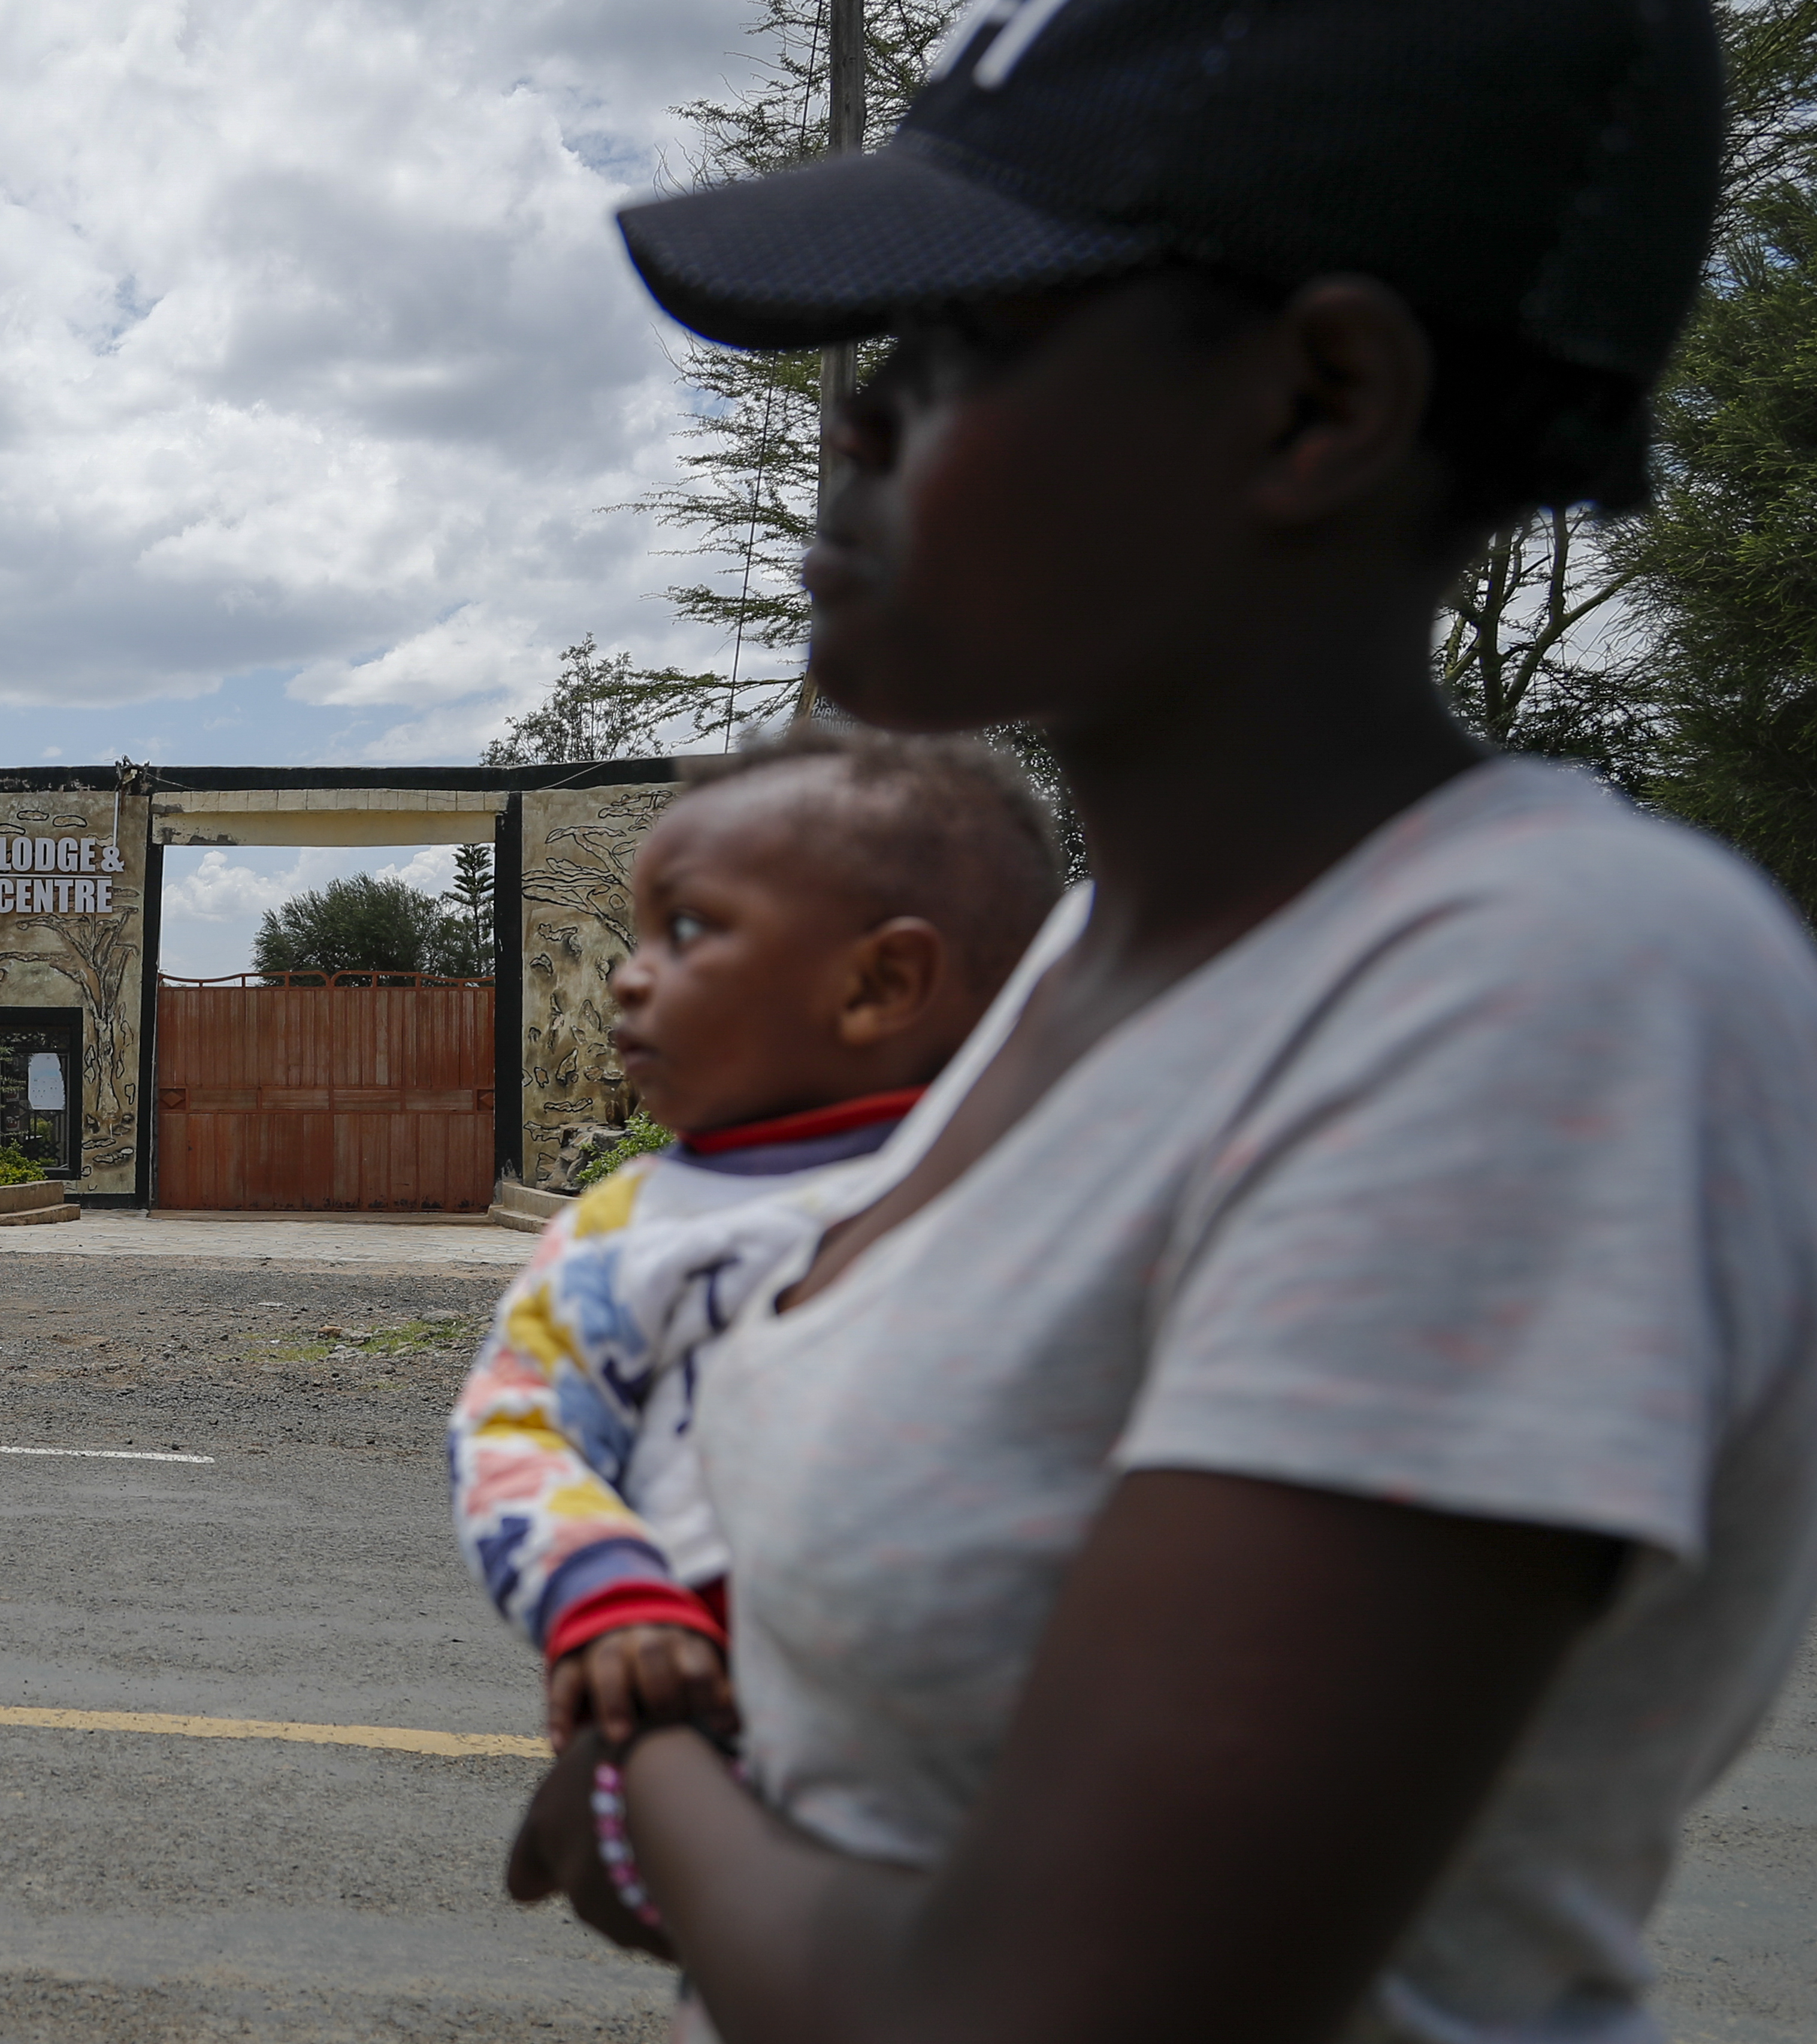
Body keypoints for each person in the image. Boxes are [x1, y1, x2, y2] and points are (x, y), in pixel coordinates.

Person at [498, 5, 1817, 2043]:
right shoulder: (1081, 966)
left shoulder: (1540, 986)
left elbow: (1029, 2010)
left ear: (1316, 399)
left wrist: (633, 1778)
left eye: (959, 345)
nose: (847, 425)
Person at [449, 727, 1060, 1756]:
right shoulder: (623, 1229)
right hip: (715, 1727)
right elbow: (519, 1429)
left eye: (684, 932)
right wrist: (605, 1593)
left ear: (879, 984)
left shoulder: (1049, 1195)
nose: (627, 981)